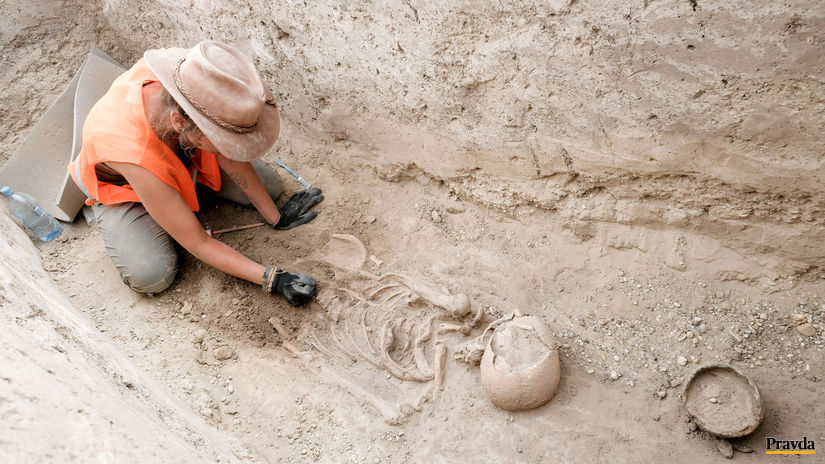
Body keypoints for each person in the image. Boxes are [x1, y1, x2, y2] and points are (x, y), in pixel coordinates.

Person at [68, 41, 322, 306]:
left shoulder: (188, 76)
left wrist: (276, 216)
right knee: (152, 274)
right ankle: (135, 214)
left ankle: (182, 193)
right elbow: (198, 242)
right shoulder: (133, 153)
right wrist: (271, 278)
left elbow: (225, 152)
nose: (230, 145)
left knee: (269, 187)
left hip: (182, 154)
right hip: (127, 188)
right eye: (222, 138)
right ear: (180, 122)